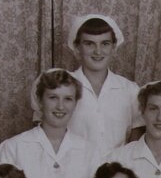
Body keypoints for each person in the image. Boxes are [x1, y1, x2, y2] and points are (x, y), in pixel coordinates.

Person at [60, 13, 143, 154]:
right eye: (89, 44)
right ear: (77, 47)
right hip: (73, 165)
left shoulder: (130, 90)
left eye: (105, 44)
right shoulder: (61, 86)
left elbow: (136, 138)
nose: (98, 51)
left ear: (114, 47)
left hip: (117, 166)